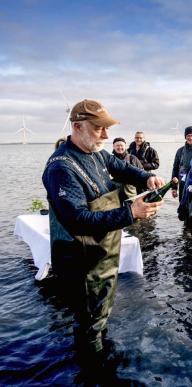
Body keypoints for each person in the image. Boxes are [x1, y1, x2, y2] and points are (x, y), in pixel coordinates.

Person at [42, 99, 164, 365]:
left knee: (101, 315)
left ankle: (100, 354)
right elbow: (79, 220)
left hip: (103, 256)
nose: (106, 136)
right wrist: (131, 213)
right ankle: (93, 370)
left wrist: (145, 178)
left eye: (107, 129)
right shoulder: (61, 168)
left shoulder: (96, 152)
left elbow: (121, 167)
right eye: (99, 129)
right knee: (88, 323)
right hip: (82, 263)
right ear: (77, 126)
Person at [171, 126, 192, 201]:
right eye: (188, 136)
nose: (190, 138)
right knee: (183, 210)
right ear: (185, 137)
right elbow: (175, 169)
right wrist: (174, 187)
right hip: (183, 186)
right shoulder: (180, 151)